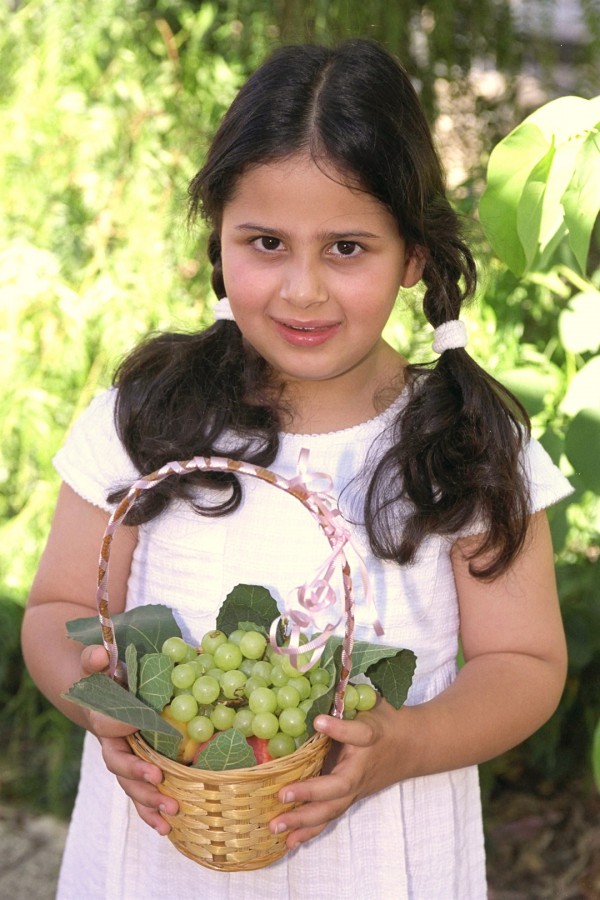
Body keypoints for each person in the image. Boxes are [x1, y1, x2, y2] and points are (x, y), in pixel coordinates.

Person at [22, 39, 572, 900]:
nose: (302, 290)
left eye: (348, 247)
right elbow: (58, 606)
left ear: (415, 257)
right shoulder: (148, 418)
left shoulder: (466, 443)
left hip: (384, 866)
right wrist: (99, 706)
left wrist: (407, 746)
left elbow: (526, 663)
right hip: (160, 859)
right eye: (266, 242)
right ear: (220, 238)